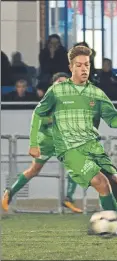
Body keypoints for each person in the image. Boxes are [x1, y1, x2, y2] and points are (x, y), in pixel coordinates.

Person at [27, 46, 117, 235]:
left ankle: (107, 218)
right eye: (79, 65)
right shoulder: (58, 90)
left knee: (116, 183)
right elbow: (38, 113)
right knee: (101, 182)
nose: (84, 69)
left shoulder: (96, 94)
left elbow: (114, 120)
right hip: (70, 149)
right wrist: (33, 143)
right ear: (71, 67)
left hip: (92, 146)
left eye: (87, 64)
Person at [2, 72, 83, 213]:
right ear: (54, 84)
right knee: (34, 170)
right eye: (60, 82)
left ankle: (68, 198)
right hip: (47, 141)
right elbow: (38, 120)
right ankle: (10, 192)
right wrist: (33, 144)